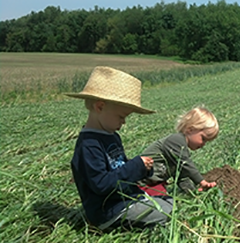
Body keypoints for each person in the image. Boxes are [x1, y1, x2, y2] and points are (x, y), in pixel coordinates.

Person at [66, 66, 173, 231]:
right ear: (100, 107)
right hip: (109, 211)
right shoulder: (89, 145)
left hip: (127, 200)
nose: (123, 122)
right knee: (168, 214)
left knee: (171, 204)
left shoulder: (111, 136)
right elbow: (101, 184)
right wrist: (135, 166)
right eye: (121, 116)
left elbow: (119, 169)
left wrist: (143, 169)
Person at [138, 106, 218, 195]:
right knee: (163, 204)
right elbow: (186, 164)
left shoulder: (181, 151)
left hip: (153, 183)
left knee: (166, 201)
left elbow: (182, 175)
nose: (203, 144)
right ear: (190, 130)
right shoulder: (176, 141)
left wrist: (192, 194)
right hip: (140, 181)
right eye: (203, 138)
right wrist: (201, 181)